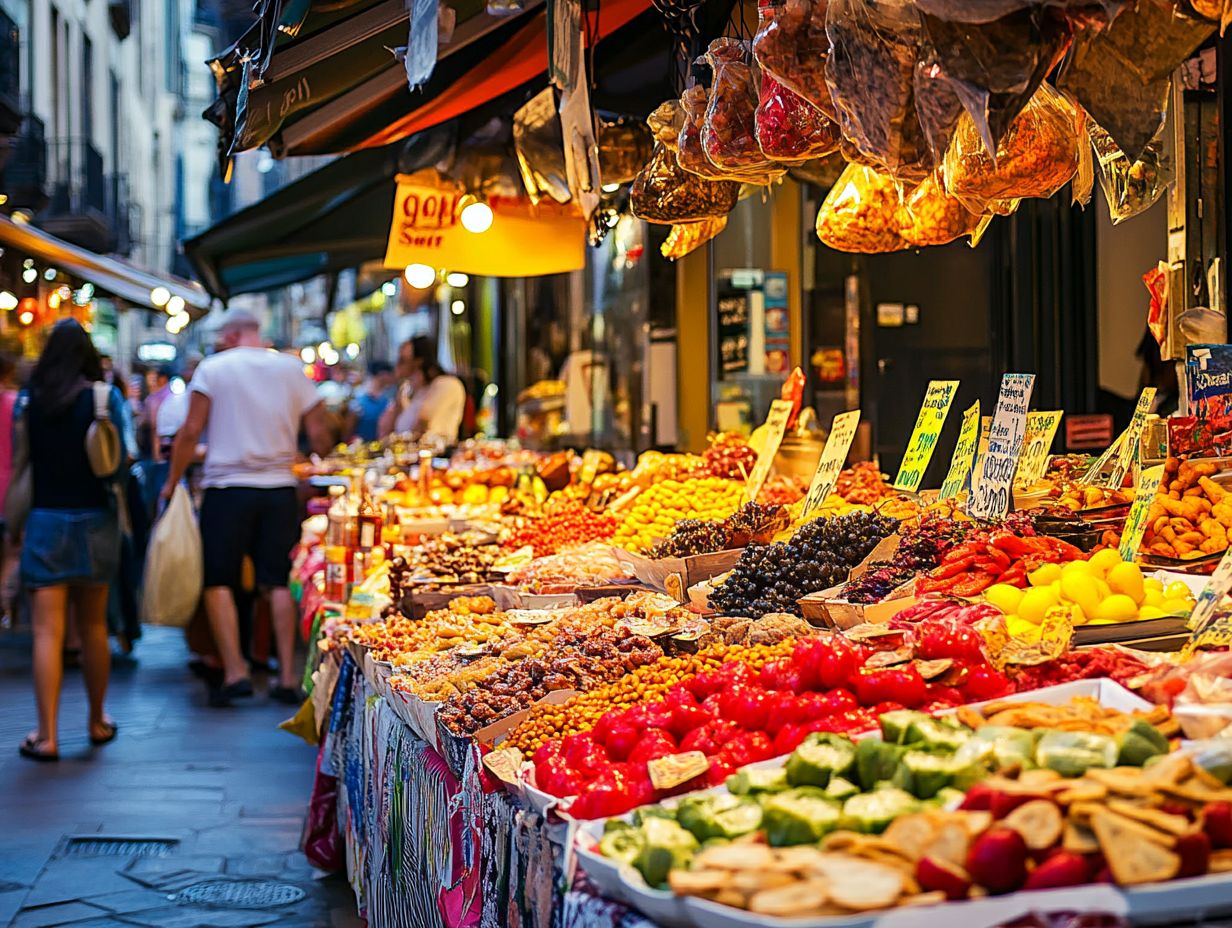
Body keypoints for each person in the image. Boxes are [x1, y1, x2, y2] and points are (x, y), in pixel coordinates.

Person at [161, 310, 332, 707]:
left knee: (219, 579)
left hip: (226, 487)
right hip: (277, 488)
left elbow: (189, 431)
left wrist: (171, 483)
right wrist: (319, 462)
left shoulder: (214, 368)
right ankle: (287, 677)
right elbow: (319, 429)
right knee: (277, 579)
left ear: (234, 334)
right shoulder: (290, 368)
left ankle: (236, 671)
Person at [17, 319, 132, 761]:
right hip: (97, 522)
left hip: (46, 520)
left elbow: (22, 461)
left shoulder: (31, 403)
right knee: (94, 626)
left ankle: (46, 736)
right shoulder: (105, 399)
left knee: (47, 632)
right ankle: (97, 721)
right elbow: (122, 462)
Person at [384, 336, 468, 445]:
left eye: (403, 359)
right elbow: (386, 427)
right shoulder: (408, 390)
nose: (398, 364)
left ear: (419, 360)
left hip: (432, 457)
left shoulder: (446, 384)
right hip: (407, 457)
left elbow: (423, 422)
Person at [348, 361, 395, 443]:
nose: (392, 377)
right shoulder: (359, 397)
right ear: (382, 374)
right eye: (389, 374)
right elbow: (349, 428)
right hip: (360, 448)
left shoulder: (388, 397)